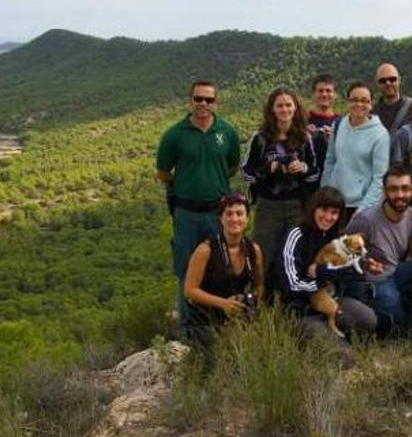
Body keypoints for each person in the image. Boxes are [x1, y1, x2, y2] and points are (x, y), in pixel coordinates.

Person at [156, 79, 241, 338]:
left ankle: (218, 325)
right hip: (186, 213)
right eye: (198, 99)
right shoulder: (174, 135)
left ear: (216, 102)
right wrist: (187, 184)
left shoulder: (227, 132)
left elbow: (232, 167)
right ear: (190, 100)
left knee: (220, 269)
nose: (203, 104)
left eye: (209, 99)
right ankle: (187, 332)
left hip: (217, 213)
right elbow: (163, 172)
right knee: (185, 270)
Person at [343, 164, 412, 331]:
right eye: (393, 189)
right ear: (384, 191)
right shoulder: (366, 220)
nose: (400, 195)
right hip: (374, 280)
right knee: (401, 326)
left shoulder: (410, 213)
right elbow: (344, 256)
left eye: (405, 189)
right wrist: (366, 263)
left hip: (395, 271)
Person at [275, 186, 377, 340]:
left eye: (334, 213)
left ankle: (335, 328)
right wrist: (322, 282)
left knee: (368, 319)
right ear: (313, 209)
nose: (328, 217)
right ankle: (315, 333)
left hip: (330, 299)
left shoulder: (337, 236)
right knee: (342, 356)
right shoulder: (295, 235)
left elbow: (352, 271)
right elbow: (291, 284)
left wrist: (321, 271)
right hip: (300, 308)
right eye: (324, 210)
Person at [241, 86, 319, 274]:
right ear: (272, 109)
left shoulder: (304, 138)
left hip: (297, 205)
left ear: (295, 107)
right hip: (268, 205)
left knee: (294, 254)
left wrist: (302, 167)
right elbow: (245, 173)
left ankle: (291, 297)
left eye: (288, 105)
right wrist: (268, 169)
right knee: (262, 254)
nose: (284, 109)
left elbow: (315, 172)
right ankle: (261, 295)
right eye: (280, 105)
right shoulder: (260, 139)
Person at [183, 193, 264, 347]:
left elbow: (260, 284)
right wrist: (223, 304)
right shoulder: (205, 250)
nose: (234, 219)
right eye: (229, 214)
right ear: (220, 219)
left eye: (240, 214)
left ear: (247, 219)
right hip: (206, 321)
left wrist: (253, 302)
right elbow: (189, 290)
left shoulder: (254, 250)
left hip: (239, 319)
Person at [321, 81, 390, 221]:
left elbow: (380, 177)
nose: (359, 104)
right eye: (355, 100)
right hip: (334, 201)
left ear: (371, 104)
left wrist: (364, 210)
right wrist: (325, 193)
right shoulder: (339, 125)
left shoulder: (380, 134)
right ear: (347, 102)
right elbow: (330, 161)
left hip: (361, 205)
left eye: (365, 101)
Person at [306, 74, 340, 188]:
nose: (324, 94)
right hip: (305, 182)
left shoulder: (342, 123)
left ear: (335, 95)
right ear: (313, 94)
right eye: (320, 91)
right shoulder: (302, 120)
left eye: (328, 91)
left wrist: (333, 141)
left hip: (332, 183)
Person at [372, 62, 412, 135]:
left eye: (392, 79)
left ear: (399, 80)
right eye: (383, 81)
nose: (388, 83)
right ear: (377, 83)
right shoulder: (371, 114)